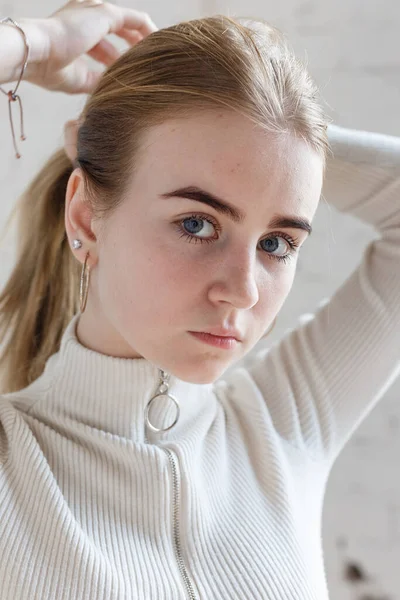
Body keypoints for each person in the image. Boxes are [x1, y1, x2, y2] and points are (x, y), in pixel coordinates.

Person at [0, 1, 399, 599]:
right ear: (85, 213)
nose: (241, 289)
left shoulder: (280, 429)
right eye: (197, 224)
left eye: (276, 242)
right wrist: (34, 42)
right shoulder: (13, 467)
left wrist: (277, 134)